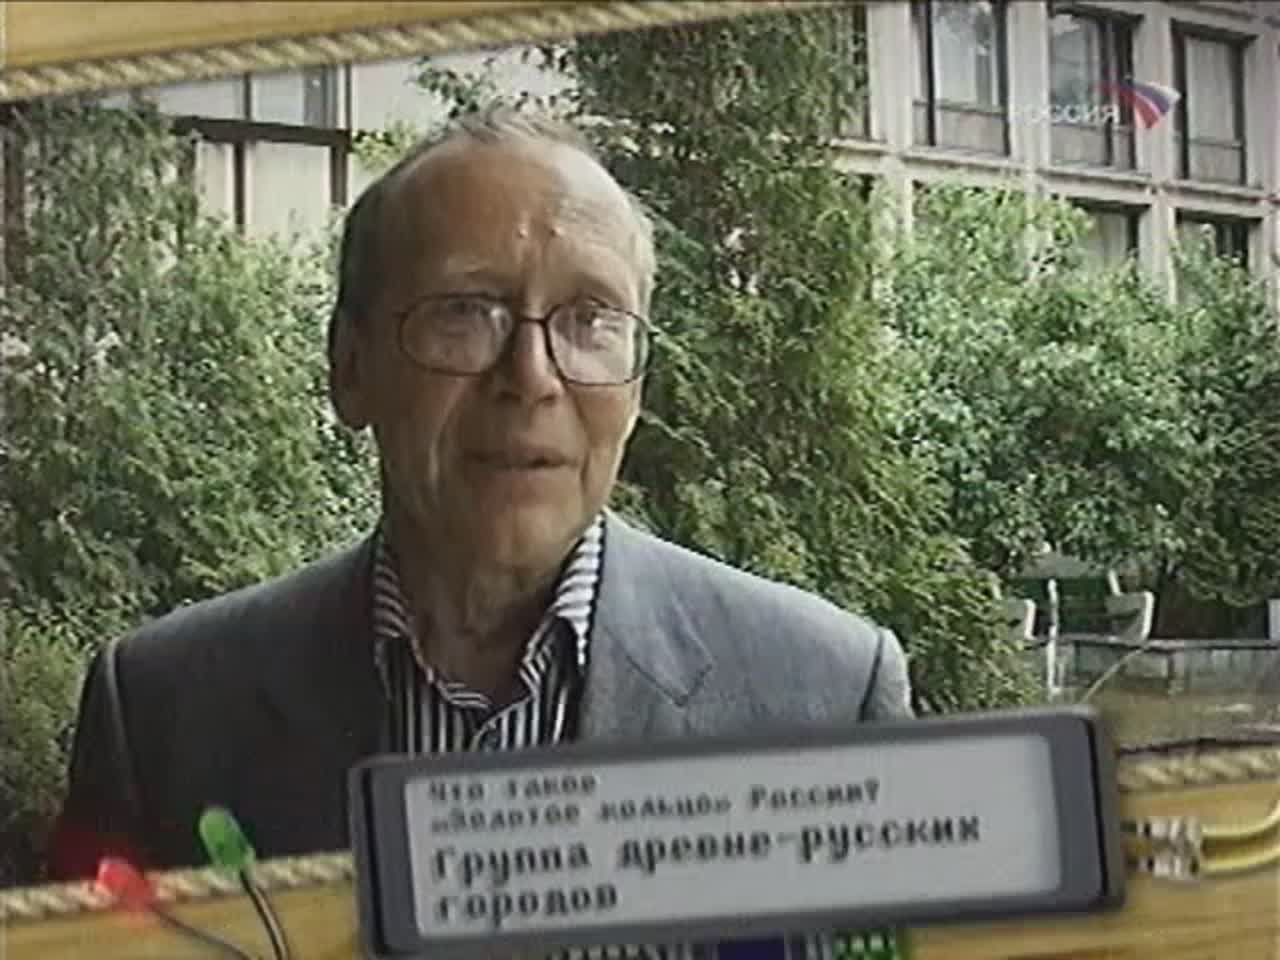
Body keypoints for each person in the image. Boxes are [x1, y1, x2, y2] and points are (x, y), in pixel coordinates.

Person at [51, 108, 912, 882]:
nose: (530, 377)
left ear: (637, 387)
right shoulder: (162, 714)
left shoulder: (829, 700)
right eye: (465, 312)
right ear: (350, 368)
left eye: (589, 320)